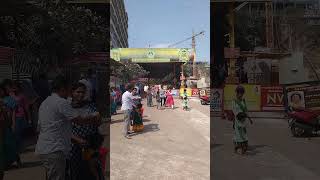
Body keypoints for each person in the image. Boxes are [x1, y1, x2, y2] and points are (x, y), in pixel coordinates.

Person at [35, 76, 101, 180]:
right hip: (55, 148)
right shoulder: (61, 102)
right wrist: (94, 116)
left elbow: (39, 128)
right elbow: (79, 120)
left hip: (47, 148)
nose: (70, 93)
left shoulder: (45, 102)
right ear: (62, 88)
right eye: (70, 90)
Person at [68, 83, 104, 180]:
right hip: (74, 145)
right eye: (78, 92)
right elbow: (64, 128)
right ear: (72, 92)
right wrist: (77, 139)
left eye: (83, 92)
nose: (80, 94)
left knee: (93, 170)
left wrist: (97, 119)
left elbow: (98, 122)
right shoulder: (67, 107)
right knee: (76, 171)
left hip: (90, 143)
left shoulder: (90, 106)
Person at [1, 81, 21, 168]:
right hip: (2, 126)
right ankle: (6, 163)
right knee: (4, 146)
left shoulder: (8, 99)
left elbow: (12, 113)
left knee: (11, 144)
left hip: (7, 125)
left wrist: (13, 124)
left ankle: (17, 160)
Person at [9, 82, 32, 155]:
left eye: (15, 87)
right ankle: (17, 147)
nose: (14, 89)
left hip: (20, 116)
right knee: (15, 133)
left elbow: (26, 107)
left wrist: (29, 118)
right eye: (13, 87)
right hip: (12, 116)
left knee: (18, 133)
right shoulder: (10, 95)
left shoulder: (22, 96)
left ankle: (20, 148)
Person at [232, 86, 253, 155]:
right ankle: (238, 147)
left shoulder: (243, 101)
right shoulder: (234, 101)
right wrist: (239, 115)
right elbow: (234, 111)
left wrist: (249, 118)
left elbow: (246, 110)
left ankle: (241, 146)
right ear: (237, 93)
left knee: (243, 133)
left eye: (242, 93)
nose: (241, 95)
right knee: (239, 134)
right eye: (239, 93)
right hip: (238, 120)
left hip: (243, 120)